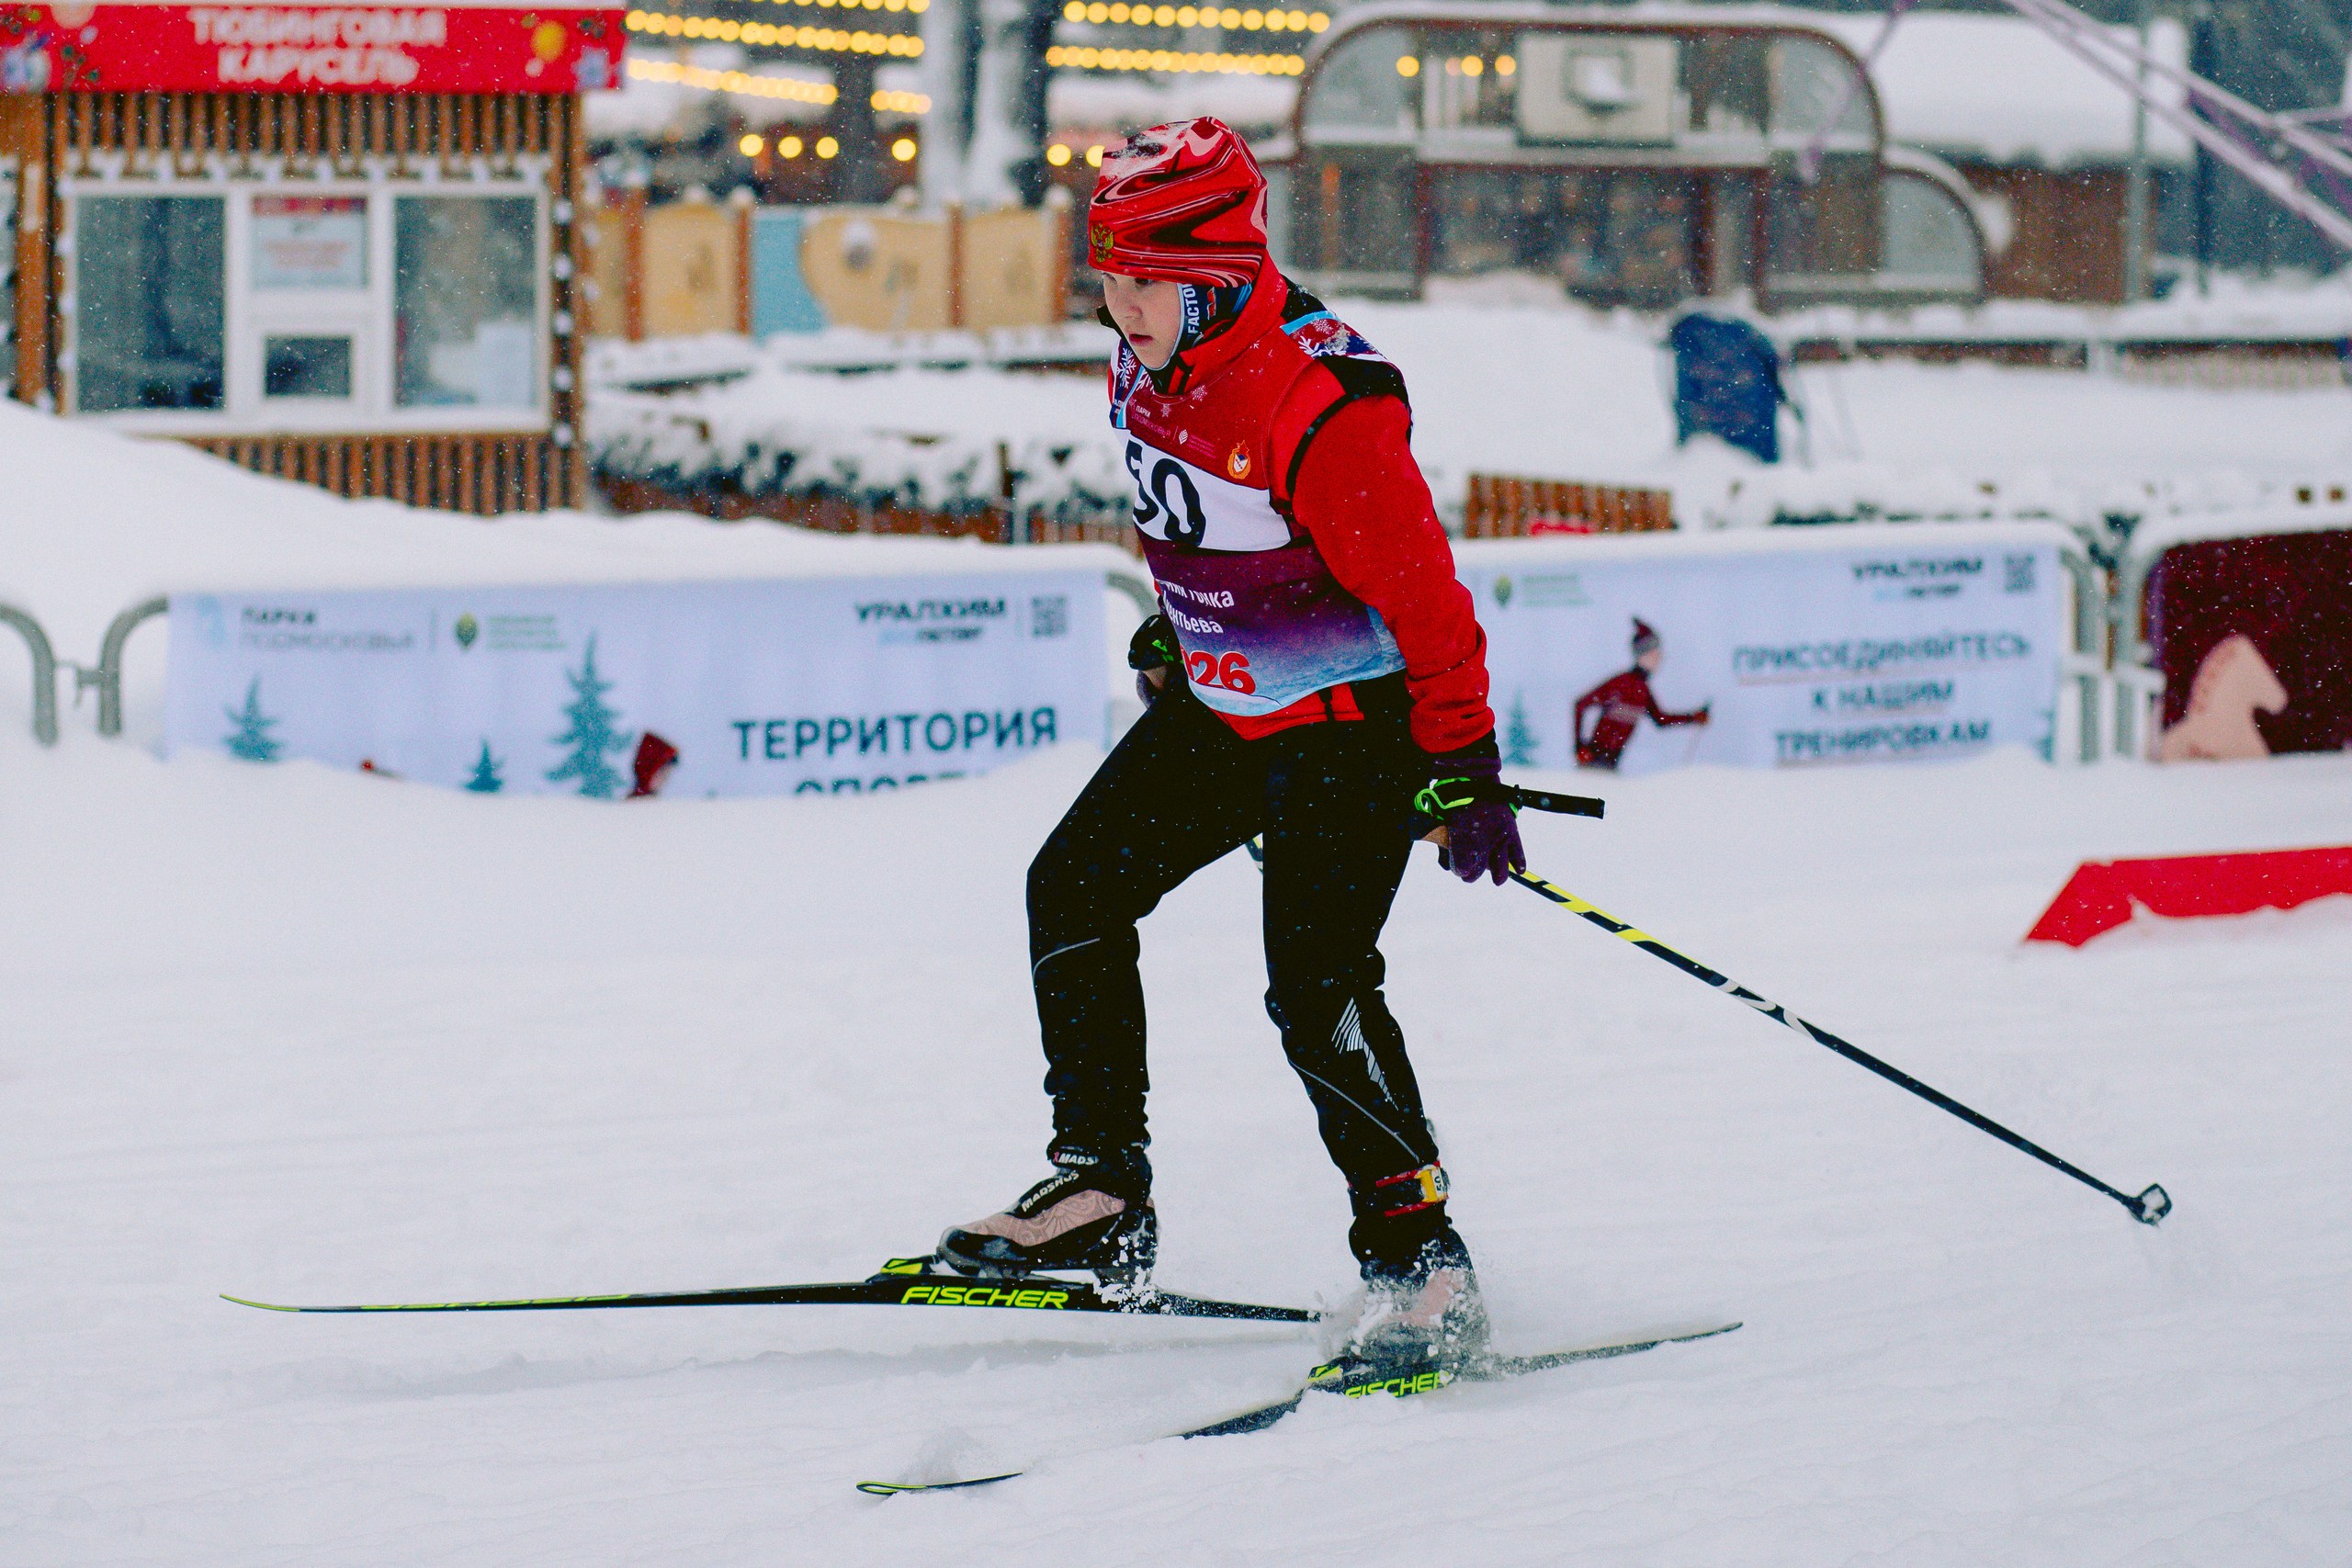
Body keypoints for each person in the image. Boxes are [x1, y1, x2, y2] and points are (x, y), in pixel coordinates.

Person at [935, 119, 1521, 1364]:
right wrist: (1185, 626)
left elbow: (1424, 599)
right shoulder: (1146, 363)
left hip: (1355, 734)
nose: (1121, 306)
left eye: (1147, 281)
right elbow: (1213, 525)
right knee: (1075, 884)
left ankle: (1421, 1256)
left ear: (1217, 272)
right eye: (1108, 276)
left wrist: (1463, 762)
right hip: (1229, 710)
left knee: (1317, 989)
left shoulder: (1322, 401)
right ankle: (1100, 1187)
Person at [1572, 618, 1710, 770]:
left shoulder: (1642, 691)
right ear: (1641, 655)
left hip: (1611, 764)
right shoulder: (1620, 683)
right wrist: (1580, 747)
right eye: (1654, 654)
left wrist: (1693, 717)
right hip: (1593, 762)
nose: (1659, 659)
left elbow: (1660, 720)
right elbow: (1580, 705)